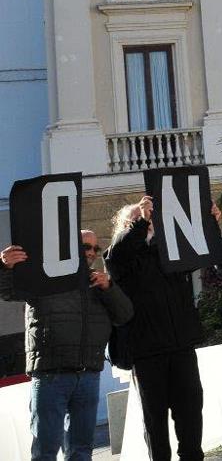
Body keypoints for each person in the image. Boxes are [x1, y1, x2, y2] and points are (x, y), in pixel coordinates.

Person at [1, 231, 133, 461]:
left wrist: (110, 287)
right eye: (85, 247)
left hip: (89, 375)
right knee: (45, 450)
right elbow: (7, 291)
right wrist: (3, 267)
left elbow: (125, 315)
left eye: (95, 249)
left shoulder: (98, 283)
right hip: (51, 375)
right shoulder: (45, 277)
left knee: (81, 451)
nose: (91, 253)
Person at [104, 197, 208, 461]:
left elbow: (201, 250)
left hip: (181, 345)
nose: (147, 223)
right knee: (155, 421)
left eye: (148, 220)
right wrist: (139, 223)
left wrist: (209, 221)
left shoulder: (169, 251)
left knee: (191, 412)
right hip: (147, 351)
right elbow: (117, 255)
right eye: (138, 220)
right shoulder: (120, 259)